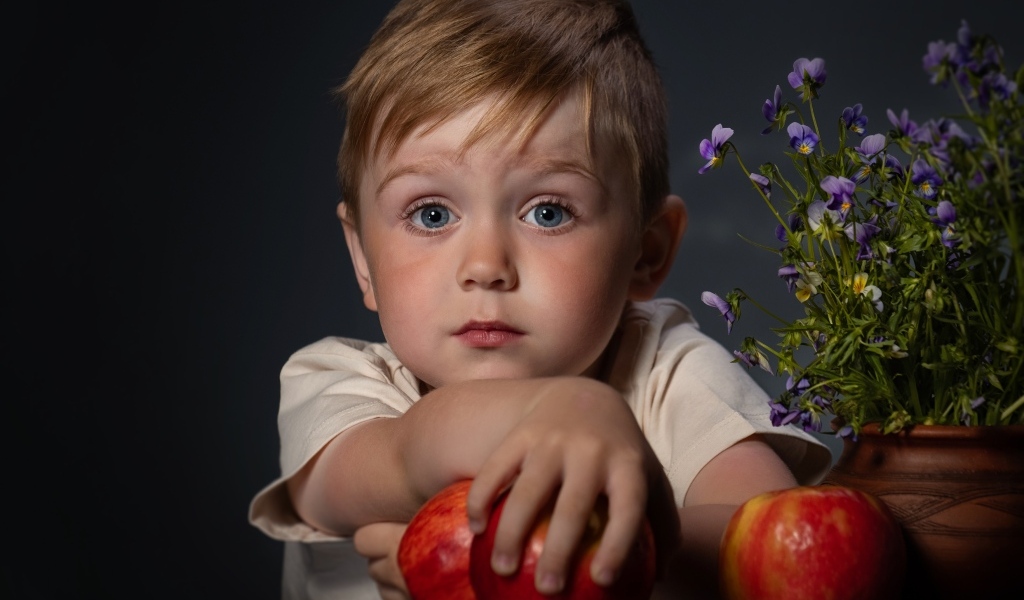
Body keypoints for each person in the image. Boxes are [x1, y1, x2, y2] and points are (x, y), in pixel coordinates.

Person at [249, 0, 832, 598]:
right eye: (431, 213)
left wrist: (598, 545)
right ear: (362, 260)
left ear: (645, 252)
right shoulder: (334, 383)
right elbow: (403, 455)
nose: (486, 266)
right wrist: (566, 409)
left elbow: (768, 533)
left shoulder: (665, 369)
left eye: (547, 212)